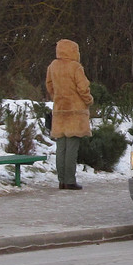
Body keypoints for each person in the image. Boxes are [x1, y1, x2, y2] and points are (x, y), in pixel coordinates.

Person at [45, 38, 94, 190]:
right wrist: (88, 100)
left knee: (61, 147)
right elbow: (83, 88)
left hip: (60, 110)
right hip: (75, 111)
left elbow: (49, 85)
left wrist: (57, 97)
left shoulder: (53, 66)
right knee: (72, 147)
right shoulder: (75, 67)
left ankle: (61, 180)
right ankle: (70, 180)